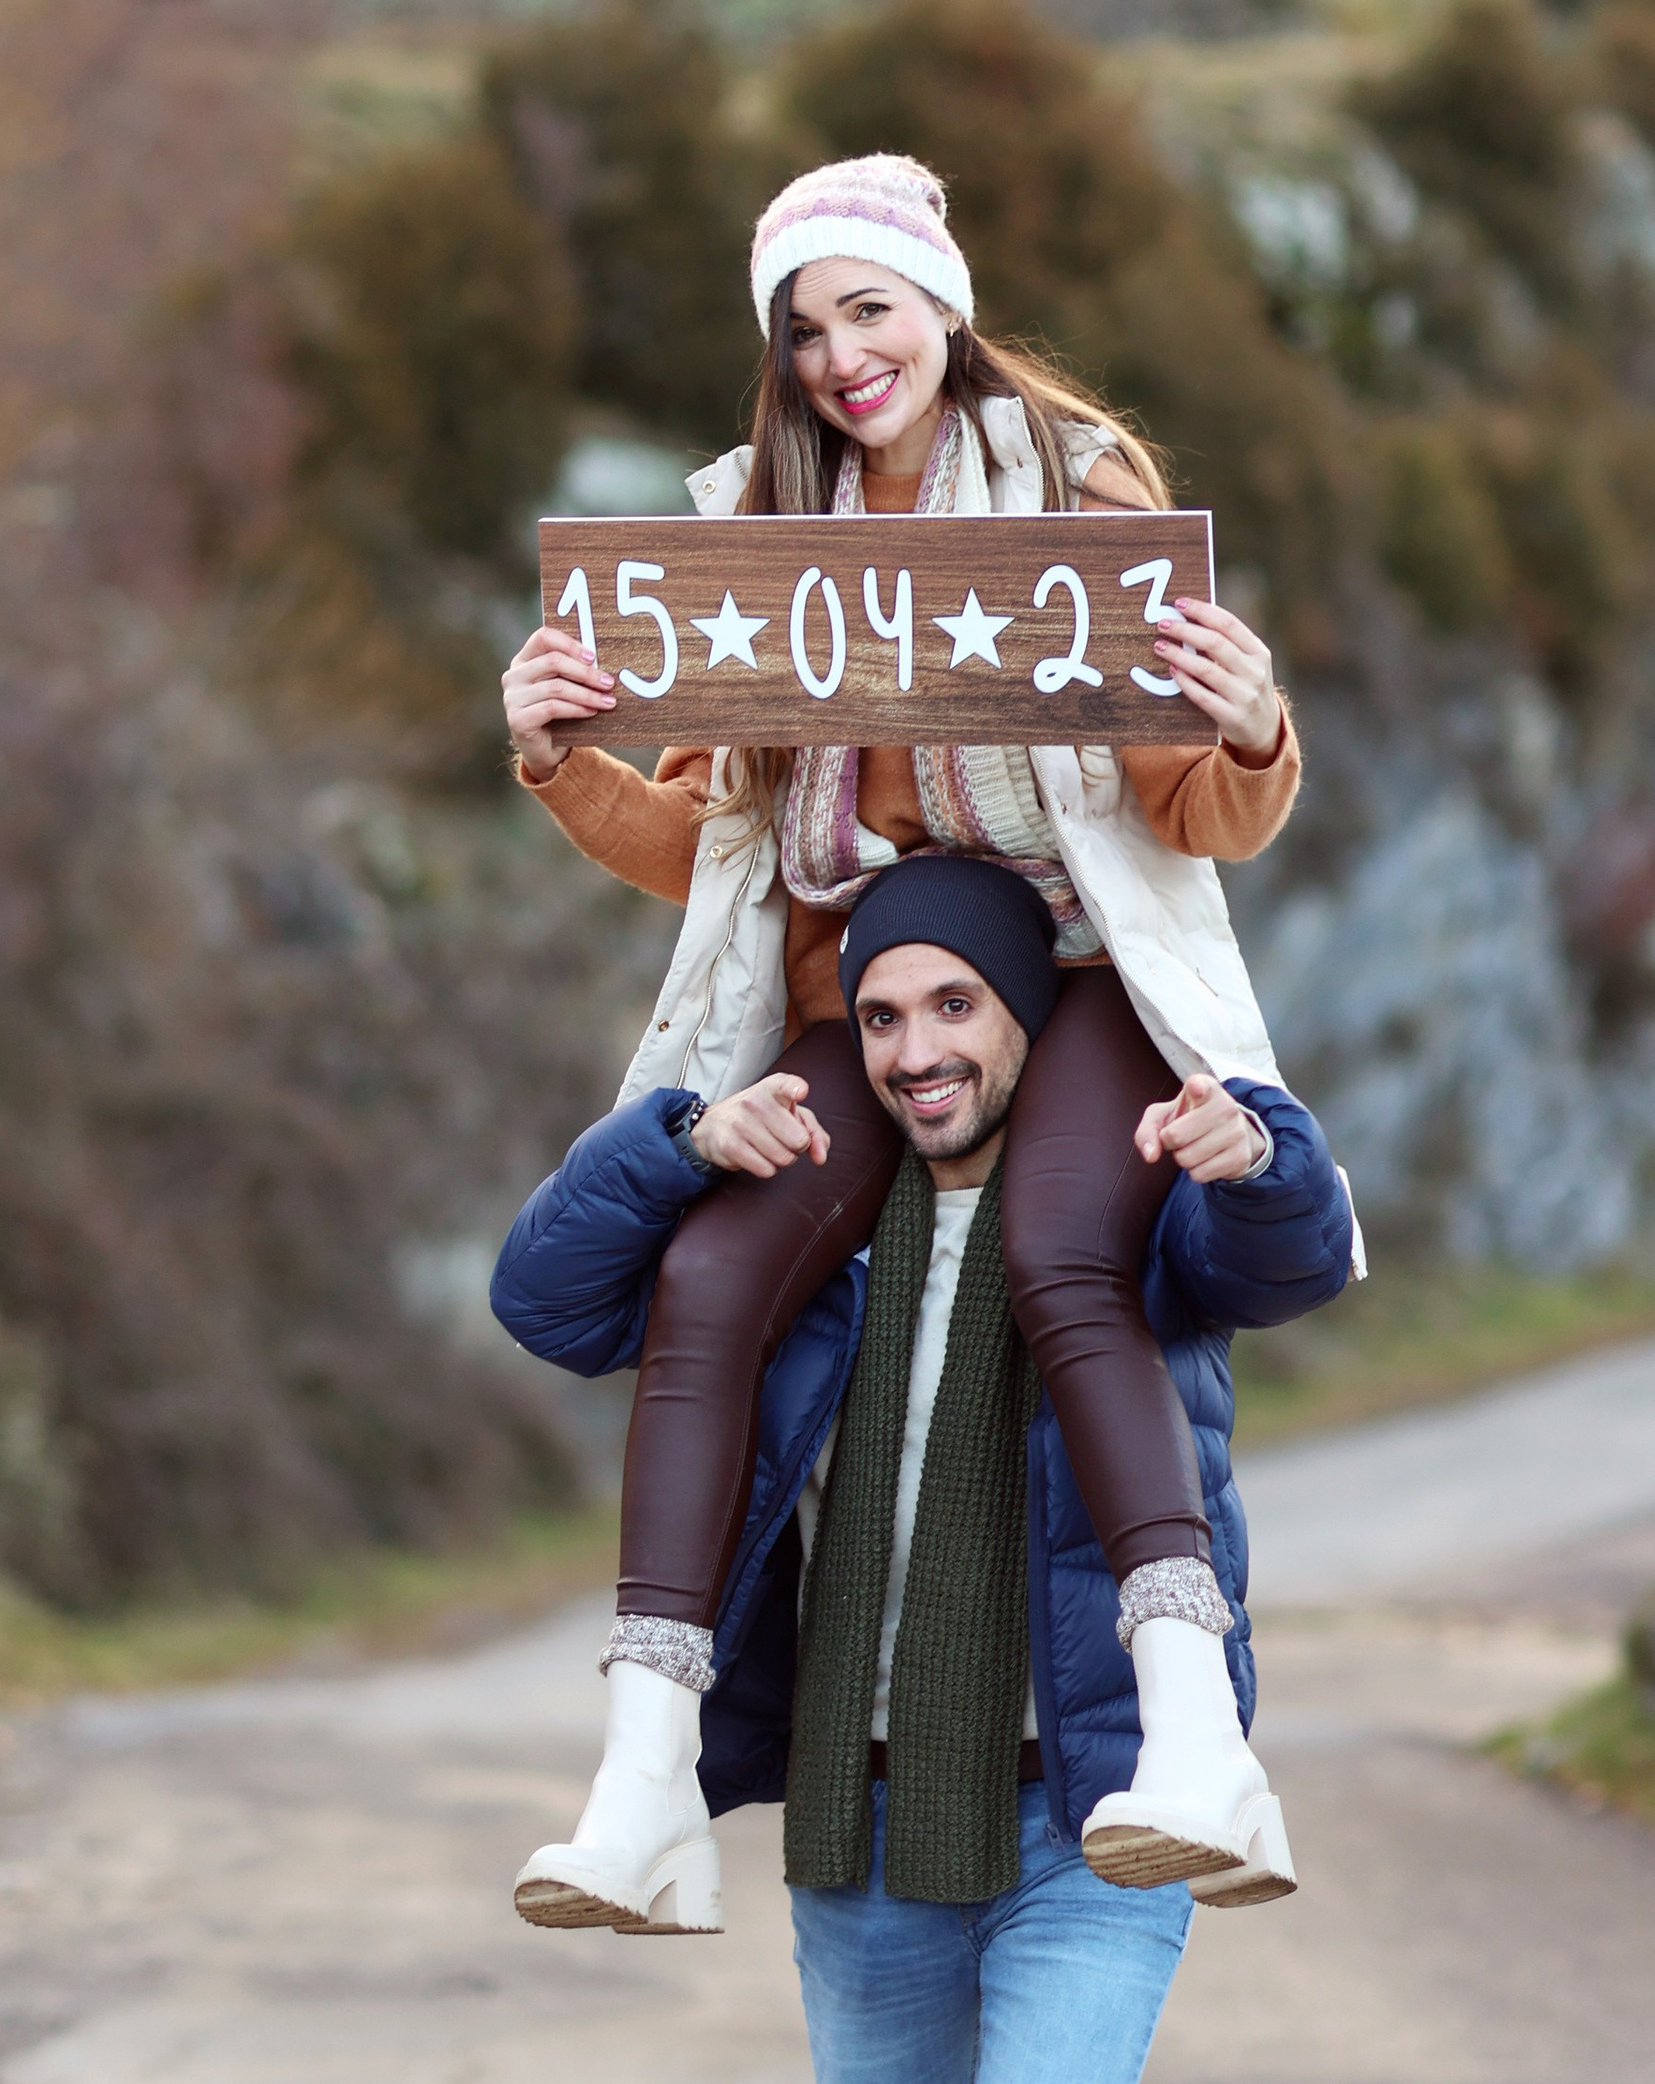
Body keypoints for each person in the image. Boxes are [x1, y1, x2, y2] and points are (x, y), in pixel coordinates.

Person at [501, 154, 1340, 1925]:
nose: (834, 354)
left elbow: (1179, 806)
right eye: (799, 327)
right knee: (714, 1275)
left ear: (939, 303)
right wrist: (560, 752)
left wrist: (1255, 733)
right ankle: (644, 1774)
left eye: (862, 307)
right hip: (852, 991)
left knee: (1062, 1245)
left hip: (1068, 973)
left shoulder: (1065, 486)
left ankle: (1195, 1737)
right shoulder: (747, 535)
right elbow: (708, 849)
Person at [490, 858, 1356, 2081]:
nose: (913, 1053)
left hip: (1091, 1820)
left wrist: (1261, 1159)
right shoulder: (802, 1236)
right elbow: (545, 1300)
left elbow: (1286, 1265)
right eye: (881, 1017)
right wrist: (678, 1146)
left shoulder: (1128, 1209)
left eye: (955, 1005)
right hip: (861, 1821)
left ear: (1026, 1010)